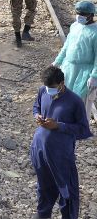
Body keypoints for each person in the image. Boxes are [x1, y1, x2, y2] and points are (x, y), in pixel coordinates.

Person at [31, 66, 92, 219]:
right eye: (47, 87)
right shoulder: (42, 91)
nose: (49, 91)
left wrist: (59, 125)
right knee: (44, 187)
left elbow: (84, 130)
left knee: (67, 190)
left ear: (61, 83)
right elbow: (36, 107)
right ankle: (43, 214)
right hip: (40, 150)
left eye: (52, 88)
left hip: (61, 154)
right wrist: (37, 115)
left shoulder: (74, 101)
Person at [53, 1, 97, 102]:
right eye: (77, 13)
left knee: (81, 101)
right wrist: (57, 61)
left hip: (84, 72)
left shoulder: (95, 32)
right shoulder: (75, 26)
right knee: (64, 97)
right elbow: (67, 46)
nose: (79, 16)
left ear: (91, 15)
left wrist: (94, 76)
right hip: (68, 68)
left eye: (83, 14)